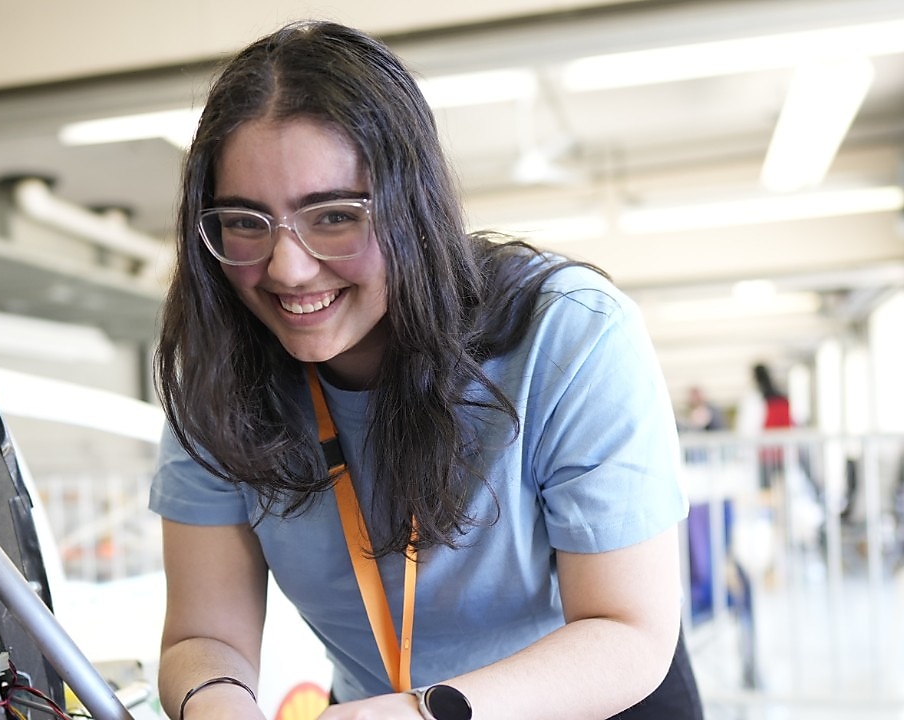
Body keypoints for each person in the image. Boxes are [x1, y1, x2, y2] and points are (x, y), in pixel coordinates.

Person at [149, 21, 700, 720]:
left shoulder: (570, 333)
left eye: (334, 217)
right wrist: (219, 706)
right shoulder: (222, 374)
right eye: (245, 222)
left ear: (414, 207)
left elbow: (626, 631)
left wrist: (418, 713)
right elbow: (204, 636)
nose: (287, 268)